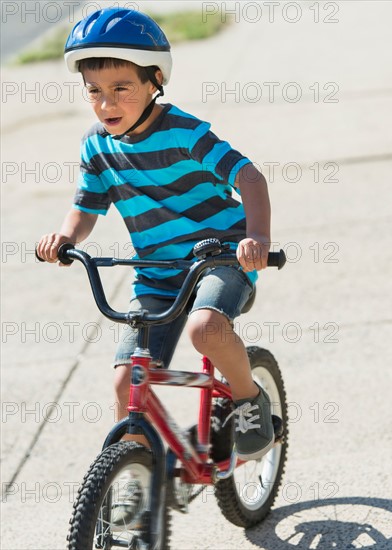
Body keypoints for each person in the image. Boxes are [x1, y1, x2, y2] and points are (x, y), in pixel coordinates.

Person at [37, 8, 278, 462]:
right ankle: (133, 474)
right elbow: (85, 208)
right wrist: (65, 238)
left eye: (121, 89)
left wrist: (258, 238)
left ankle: (248, 399)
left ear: (154, 82)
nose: (106, 103)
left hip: (221, 258)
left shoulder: (185, 133)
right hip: (156, 271)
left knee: (206, 330)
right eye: (94, 92)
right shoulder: (97, 145)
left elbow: (249, 177)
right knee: (126, 378)